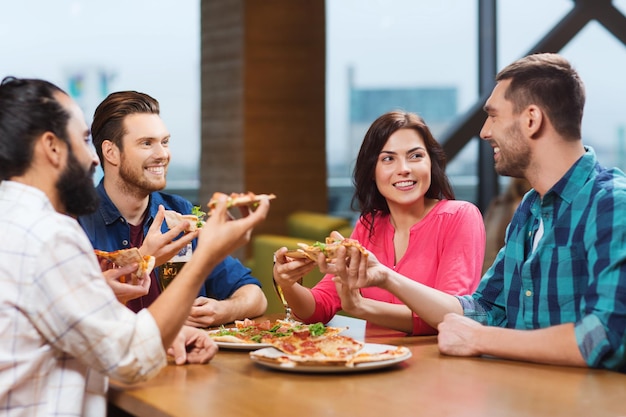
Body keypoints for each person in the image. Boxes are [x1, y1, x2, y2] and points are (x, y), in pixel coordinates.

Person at [324, 53, 626, 372]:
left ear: (531, 120)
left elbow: (609, 335)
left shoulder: (612, 204)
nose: (484, 131)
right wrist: (386, 278)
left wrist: (482, 340)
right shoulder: (530, 210)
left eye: (493, 116)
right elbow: (483, 308)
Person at [0, 77, 270, 414]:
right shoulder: (54, 233)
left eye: (166, 142)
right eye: (84, 140)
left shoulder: (13, 221)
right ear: (52, 147)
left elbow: (78, 328)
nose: (92, 158)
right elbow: (131, 358)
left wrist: (171, 331)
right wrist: (202, 256)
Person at [273, 111, 485, 334]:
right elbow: (320, 307)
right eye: (388, 159)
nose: (404, 168)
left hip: (435, 364)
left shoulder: (461, 216)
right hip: (375, 362)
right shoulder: (369, 224)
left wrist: (363, 307)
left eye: (415, 156)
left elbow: (452, 316)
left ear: (431, 163)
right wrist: (287, 284)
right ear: (372, 171)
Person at [79, 91, 267, 327]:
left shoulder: (180, 213)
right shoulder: (75, 222)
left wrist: (223, 310)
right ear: (111, 152)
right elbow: (72, 318)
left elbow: (255, 296)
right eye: (147, 143)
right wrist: (145, 261)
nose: (162, 155)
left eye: (165, 142)